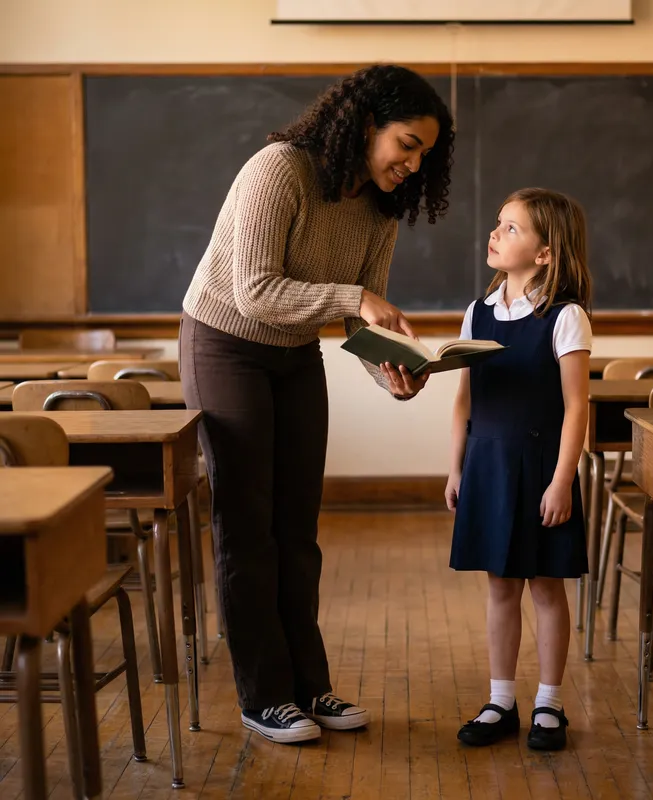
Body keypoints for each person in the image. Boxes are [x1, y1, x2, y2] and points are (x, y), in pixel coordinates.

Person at [179, 64, 454, 744]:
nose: (415, 165)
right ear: (366, 126)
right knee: (249, 526)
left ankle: (311, 686)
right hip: (226, 342)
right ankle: (264, 695)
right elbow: (255, 292)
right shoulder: (281, 170)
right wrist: (352, 298)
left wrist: (391, 370)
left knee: (298, 530)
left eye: (427, 153)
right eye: (407, 145)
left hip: (294, 353)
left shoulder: (380, 209)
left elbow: (360, 326)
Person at [445, 187, 592, 750]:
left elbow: (576, 406)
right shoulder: (478, 312)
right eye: (498, 224)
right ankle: (500, 700)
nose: (495, 234)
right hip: (486, 463)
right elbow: (465, 399)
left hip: (539, 469)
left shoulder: (564, 316)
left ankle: (549, 705)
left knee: (546, 586)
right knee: (499, 585)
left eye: (511, 228)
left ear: (546, 253)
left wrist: (562, 480)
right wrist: (455, 467)